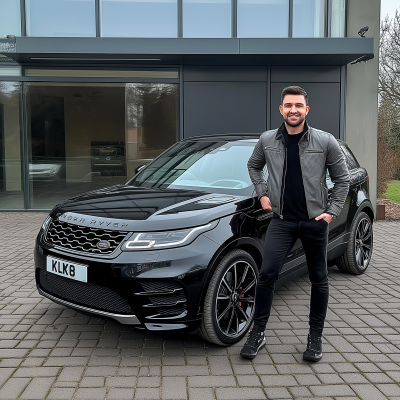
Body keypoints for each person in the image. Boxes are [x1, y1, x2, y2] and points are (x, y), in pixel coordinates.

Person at [241, 86, 350, 362]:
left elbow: (343, 179)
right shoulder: (267, 140)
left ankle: (315, 337)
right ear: (281, 109)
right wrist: (262, 193)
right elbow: (253, 166)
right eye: (288, 105)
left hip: (315, 222)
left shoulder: (325, 141)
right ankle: (259, 332)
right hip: (282, 221)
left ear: (306, 110)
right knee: (266, 275)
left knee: (319, 279)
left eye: (298, 105)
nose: (293, 110)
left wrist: (331, 212)